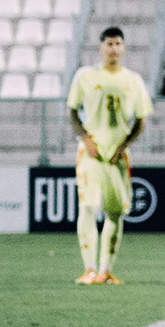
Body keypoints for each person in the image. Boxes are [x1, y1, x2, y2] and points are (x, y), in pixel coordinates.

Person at [65, 26, 152, 285]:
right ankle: (89, 269)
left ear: (123, 48)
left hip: (117, 155)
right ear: (101, 47)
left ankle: (106, 270)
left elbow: (141, 120)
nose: (113, 49)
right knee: (88, 206)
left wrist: (124, 146)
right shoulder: (85, 76)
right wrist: (85, 138)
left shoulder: (133, 80)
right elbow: (72, 111)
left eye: (118, 44)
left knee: (115, 212)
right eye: (109, 44)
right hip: (91, 152)